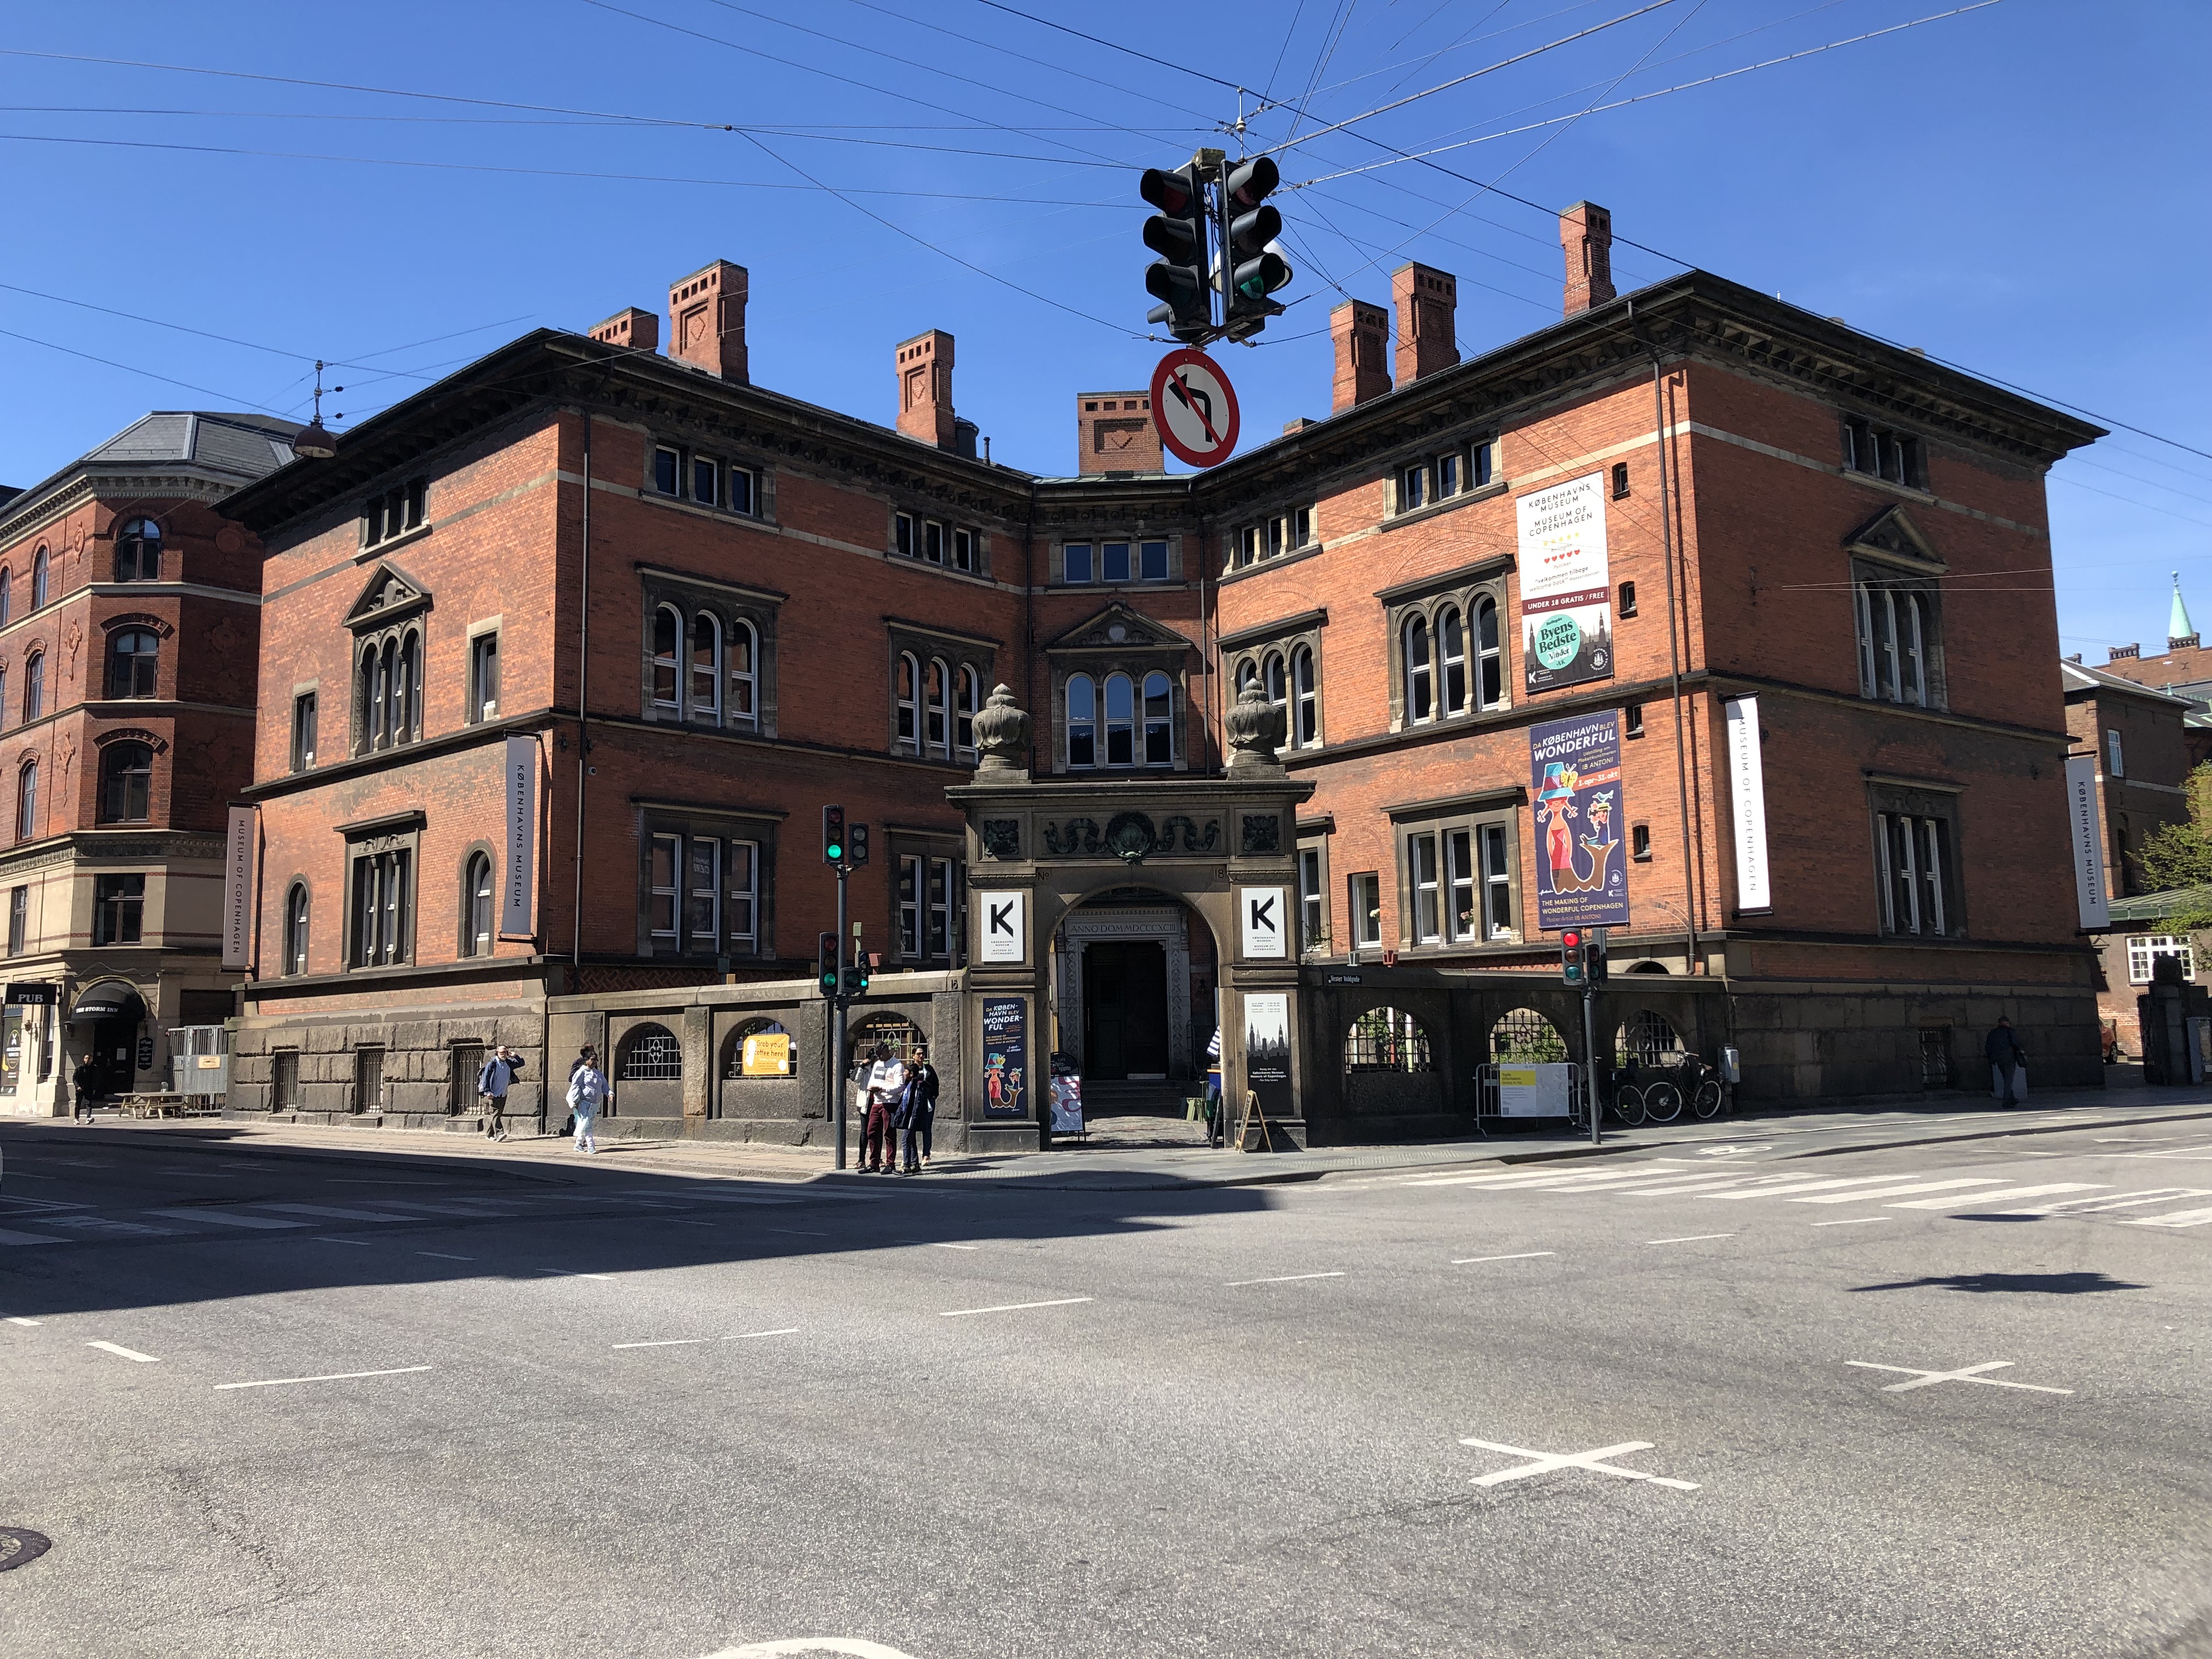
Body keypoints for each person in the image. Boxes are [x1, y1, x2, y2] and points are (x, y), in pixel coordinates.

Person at [860, 1042, 905, 1173]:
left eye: (881, 1055)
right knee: (871, 1131)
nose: (879, 1057)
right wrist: (872, 1088)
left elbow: (899, 1086)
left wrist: (882, 1088)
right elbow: (872, 1081)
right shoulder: (877, 1064)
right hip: (877, 1102)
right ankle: (874, 1163)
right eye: (877, 1055)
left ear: (887, 1051)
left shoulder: (897, 1065)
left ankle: (890, 1163)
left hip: (890, 1102)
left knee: (889, 1133)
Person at [900, 1043, 940, 1173]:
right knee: (911, 1132)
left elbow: (936, 1083)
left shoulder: (929, 1069)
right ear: (913, 1056)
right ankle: (911, 1160)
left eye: (923, 1054)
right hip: (914, 1105)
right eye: (918, 1054)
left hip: (927, 1103)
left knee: (927, 1128)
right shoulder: (910, 1070)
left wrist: (933, 1096)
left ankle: (926, 1155)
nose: (921, 1056)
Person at [476, 1043, 524, 1141]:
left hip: (503, 1093)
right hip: (492, 1094)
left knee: (497, 1115)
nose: (504, 1054)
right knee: (495, 1113)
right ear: (497, 1053)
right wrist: (488, 1091)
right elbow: (486, 1078)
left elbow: (521, 1063)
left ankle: (489, 1135)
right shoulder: (492, 1063)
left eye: (505, 1052)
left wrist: (515, 1056)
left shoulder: (508, 1062)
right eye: (502, 1052)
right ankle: (499, 1134)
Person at [565, 1047, 607, 1154]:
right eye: (593, 1059)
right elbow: (574, 1085)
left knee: (585, 1124)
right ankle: (591, 1146)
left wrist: (610, 1093)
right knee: (587, 1123)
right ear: (587, 1060)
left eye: (596, 1060)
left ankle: (578, 1144)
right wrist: (573, 1100)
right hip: (583, 1102)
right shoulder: (581, 1072)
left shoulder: (598, 1073)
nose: (595, 1062)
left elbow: (604, 1085)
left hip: (595, 1103)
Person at [1986, 1017, 2027, 1107]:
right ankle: (2006, 1101)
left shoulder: (1993, 1033)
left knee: (2006, 1078)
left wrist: (1992, 1059)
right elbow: (2016, 1043)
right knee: (2009, 1080)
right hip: (2009, 1058)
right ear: (2008, 1023)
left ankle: (2012, 1098)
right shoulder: (2010, 1031)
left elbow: (1988, 1047)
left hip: (1998, 1059)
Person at [71, 1056, 97, 1123]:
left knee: (89, 1103)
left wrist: (94, 1088)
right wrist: (78, 1086)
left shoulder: (94, 1068)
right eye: (86, 1058)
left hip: (89, 1088)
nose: (87, 1060)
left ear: (91, 1060)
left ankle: (89, 1117)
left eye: (89, 1059)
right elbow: (75, 1079)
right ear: (84, 1059)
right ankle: (76, 1118)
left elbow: (95, 1079)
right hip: (80, 1088)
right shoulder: (79, 1068)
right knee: (78, 1103)